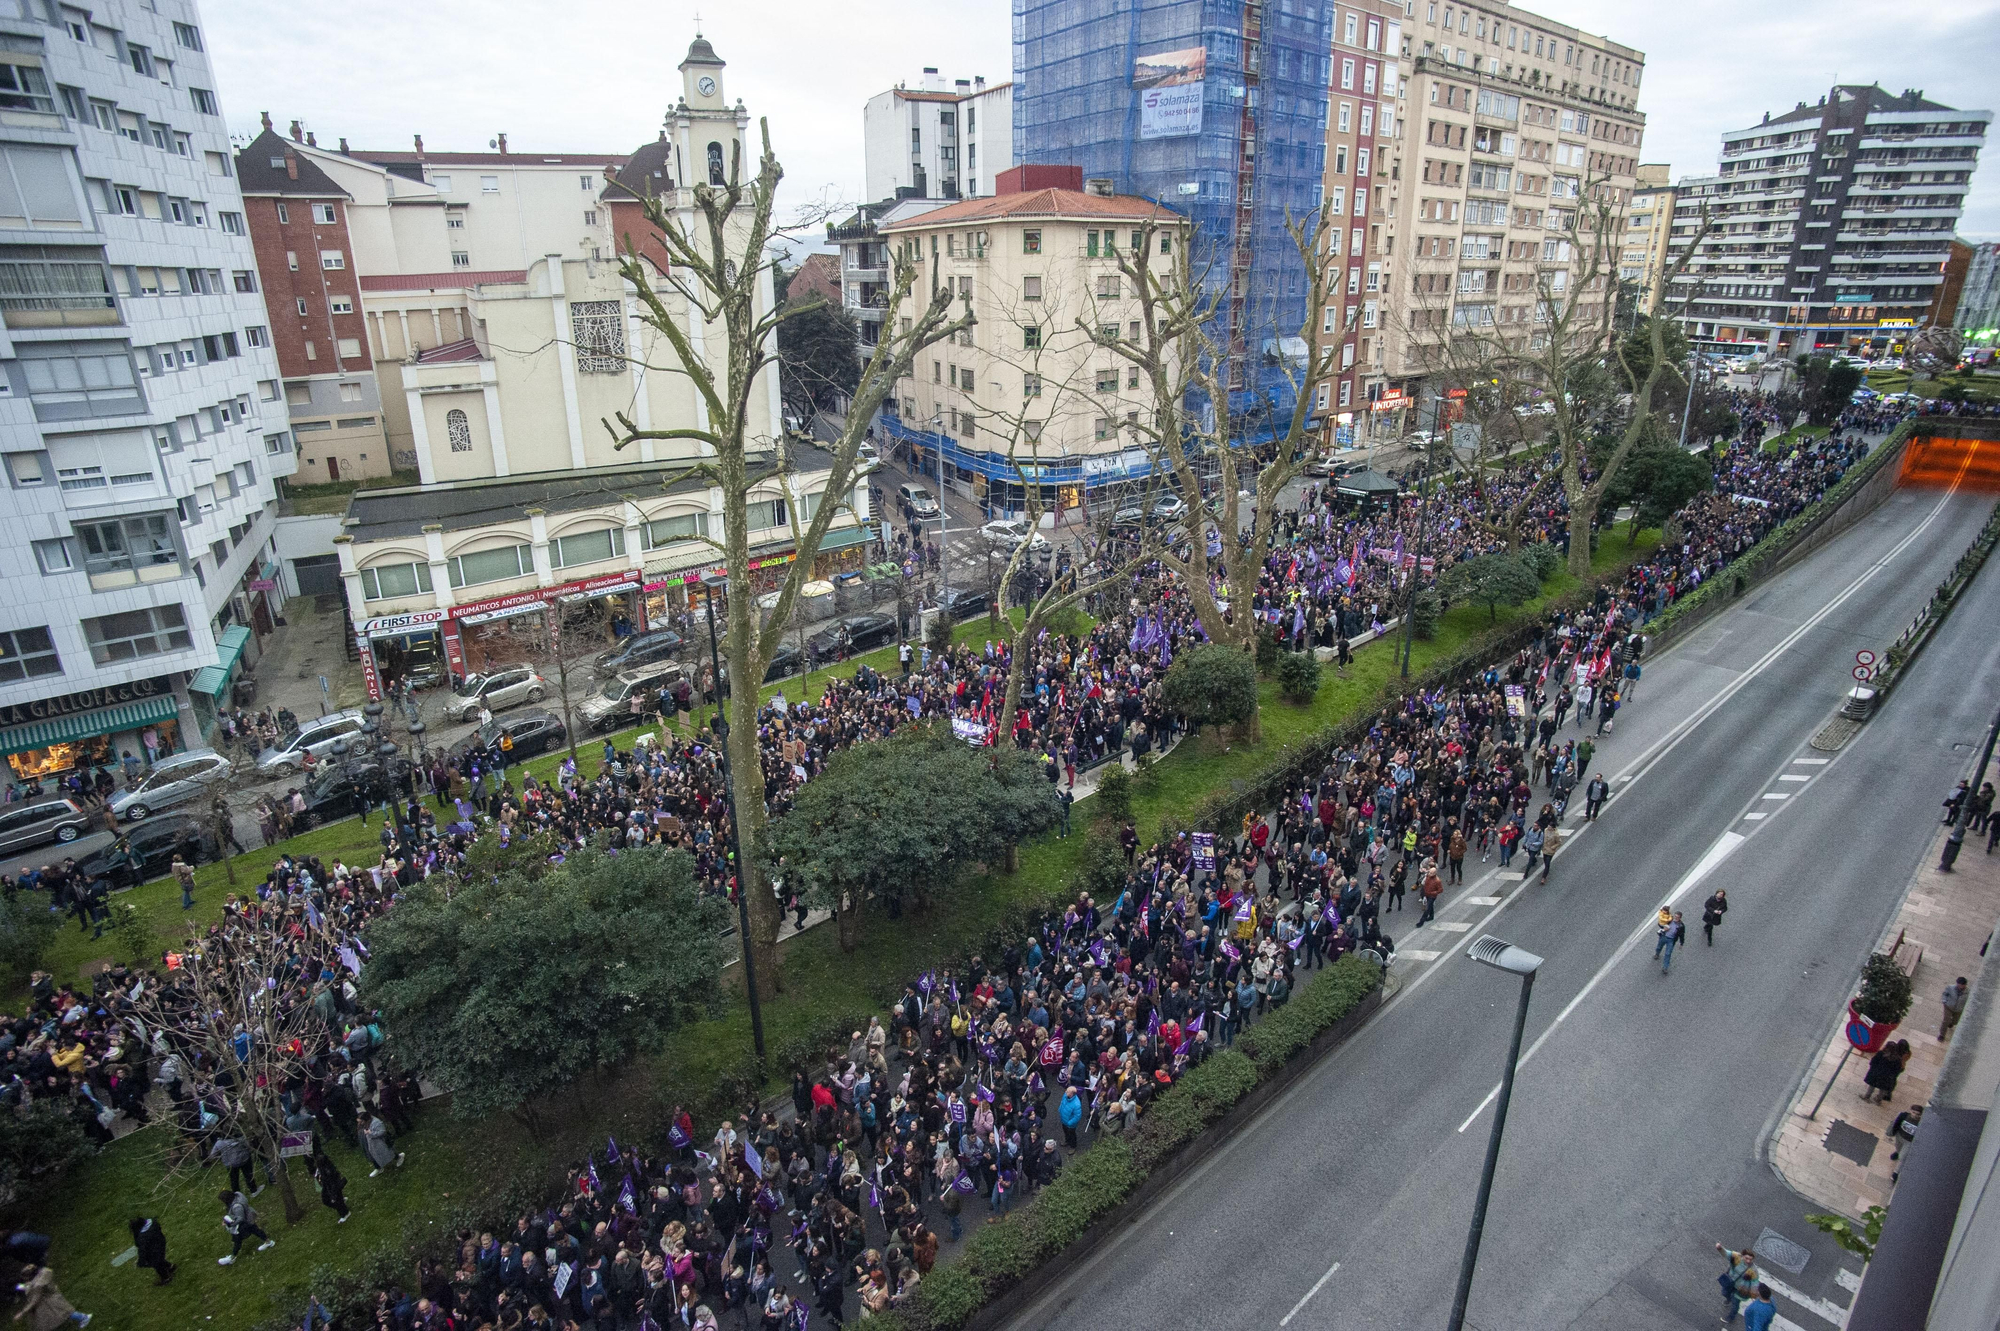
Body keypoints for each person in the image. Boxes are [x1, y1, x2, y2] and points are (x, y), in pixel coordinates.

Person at [11, 1265, 89, 1328]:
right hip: (54, 1297)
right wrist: (19, 1286)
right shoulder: (43, 1274)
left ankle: (83, 1317)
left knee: (65, 1313)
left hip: (51, 1302)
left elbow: (34, 1300)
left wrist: (22, 1313)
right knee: (64, 1312)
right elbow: (30, 1286)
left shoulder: (37, 1286)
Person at [215, 1189, 275, 1265]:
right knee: (256, 1230)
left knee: (237, 1240)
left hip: (245, 1223)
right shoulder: (238, 1195)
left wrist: (229, 1224)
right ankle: (268, 1242)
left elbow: (240, 1218)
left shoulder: (237, 1206)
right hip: (249, 1218)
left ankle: (232, 1257)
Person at [1714, 1244, 1760, 1324]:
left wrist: (1754, 1296)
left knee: (1735, 1304)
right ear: (1742, 1255)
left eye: (1750, 1259)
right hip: (1730, 1282)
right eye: (1746, 1258)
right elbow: (1726, 1253)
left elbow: (1754, 1283)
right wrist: (1720, 1248)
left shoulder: (1753, 1271)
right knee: (1724, 1292)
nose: (1748, 1261)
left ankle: (1731, 1317)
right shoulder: (1736, 1257)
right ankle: (1729, 1299)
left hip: (1741, 1290)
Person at [1862, 1040, 1910, 1104]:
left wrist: (1873, 1069)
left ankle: (1867, 1096)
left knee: (1872, 1085)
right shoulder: (1898, 1059)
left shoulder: (1881, 1054)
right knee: (1883, 1088)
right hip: (1887, 1077)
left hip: (1877, 1073)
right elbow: (1897, 1069)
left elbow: (1873, 1061)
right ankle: (1878, 1100)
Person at [128, 1217, 172, 1286]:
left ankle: (166, 1278)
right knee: (159, 1258)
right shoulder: (152, 1223)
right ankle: (170, 1267)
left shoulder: (142, 1237)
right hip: (161, 1242)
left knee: (155, 1263)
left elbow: (142, 1250)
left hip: (154, 1248)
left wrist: (141, 1262)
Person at [359, 1111, 404, 1177]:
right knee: (373, 1155)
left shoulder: (376, 1122)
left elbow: (382, 1132)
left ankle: (398, 1157)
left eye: (361, 1121)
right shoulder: (365, 1123)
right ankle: (378, 1167)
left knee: (388, 1153)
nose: (360, 1123)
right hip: (371, 1144)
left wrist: (370, 1133)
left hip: (380, 1143)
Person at [1941, 976, 1969, 1041]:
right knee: (1945, 1021)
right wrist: (1944, 1001)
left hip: (1959, 1009)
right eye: (1958, 984)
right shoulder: (1950, 988)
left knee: (1955, 1021)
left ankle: (1952, 1023)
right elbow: (1945, 994)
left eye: (1961, 985)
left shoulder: (1968, 992)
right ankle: (1942, 1035)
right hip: (1949, 1007)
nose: (1959, 986)